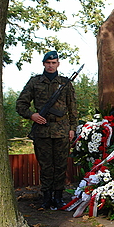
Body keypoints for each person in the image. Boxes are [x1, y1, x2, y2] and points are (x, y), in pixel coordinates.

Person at [16, 51, 78, 210]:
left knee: (61, 165)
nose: (51, 65)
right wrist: (32, 115)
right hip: (42, 131)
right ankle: (46, 198)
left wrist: (72, 128)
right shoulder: (35, 82)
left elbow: (73, 108)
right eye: (48, 63)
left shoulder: (65, 83)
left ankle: (58, 197)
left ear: (58, 64)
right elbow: (20, 105)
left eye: (54, 63)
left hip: (62, 130)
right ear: (44, 64)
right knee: (45, 166)